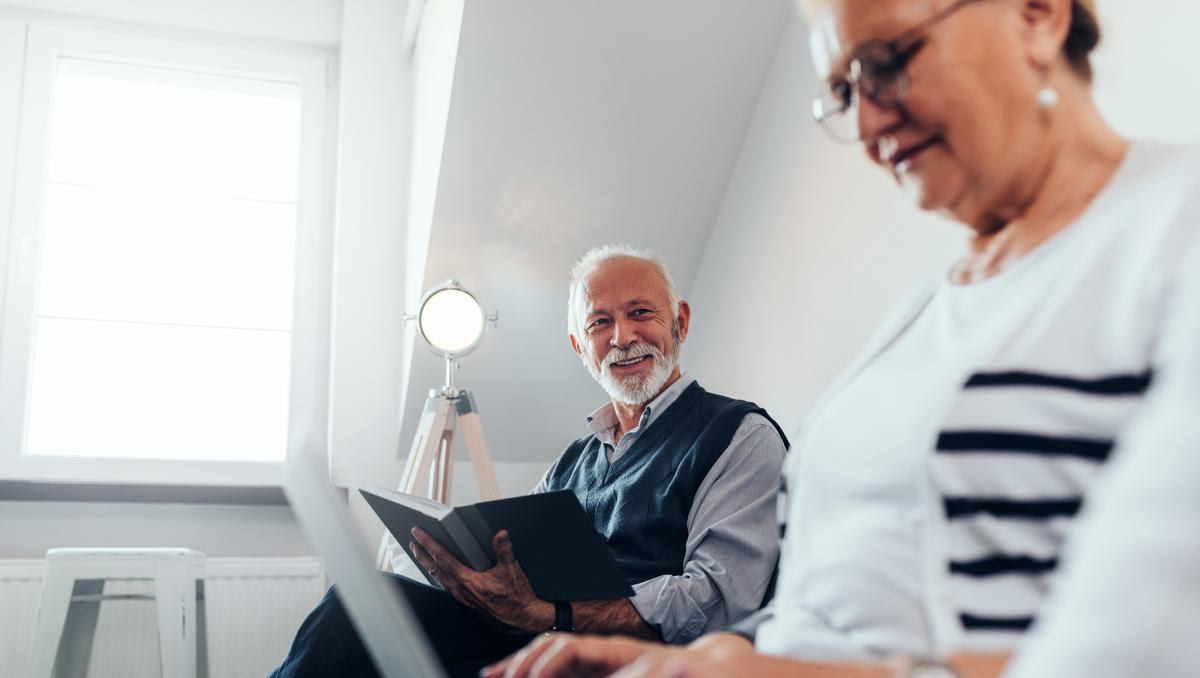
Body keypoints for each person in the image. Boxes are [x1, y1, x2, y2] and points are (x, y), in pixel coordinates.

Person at [484, 0, 1200, 677]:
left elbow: (1137, 645)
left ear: (1037, 14)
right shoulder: (933, 308)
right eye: (843, 91)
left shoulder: (1170, 231)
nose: (864, 125)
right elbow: (822, 611)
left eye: (886, 61)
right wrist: (715, 657)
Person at [268, 245, 789, 678]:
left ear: (680, 322)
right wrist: (463, 574)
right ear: (579, 347)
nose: (623, 337)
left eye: (640, 312)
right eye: (600, 322)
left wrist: (553, 614)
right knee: (360, 611)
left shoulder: (740, 436)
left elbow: (717, 605)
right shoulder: (573, 461)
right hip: (533, 638)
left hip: (624, 661)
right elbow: (515, 566)